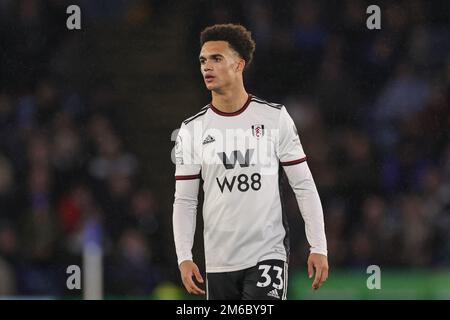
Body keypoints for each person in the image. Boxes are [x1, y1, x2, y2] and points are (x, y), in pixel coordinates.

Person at [172, 23, 328, 300]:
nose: (207, 66)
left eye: (217, 58)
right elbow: (185, 200)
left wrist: (319, 246)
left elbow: (303, 185)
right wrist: (184, 256)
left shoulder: (274, 119)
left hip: (267, 255)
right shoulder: (191, 130)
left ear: (239, 65)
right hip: (219, 261)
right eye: (203, 60)